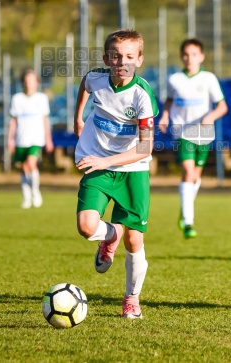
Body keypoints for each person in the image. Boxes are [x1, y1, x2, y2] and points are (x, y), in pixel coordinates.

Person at [73, 29, 158, 319]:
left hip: (132, 170)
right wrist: (78, 118)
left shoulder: (142, 95)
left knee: (135, 240)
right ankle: (110, 236)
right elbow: (85, 83)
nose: (123, 62)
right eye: (116, 56)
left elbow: (146, 148)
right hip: (98, 163)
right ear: (107, 58)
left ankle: (131, 299)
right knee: (86, 227)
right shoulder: (97, 77)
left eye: (130, 57)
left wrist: (105, 161)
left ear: (140, 59)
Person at [157, 38, 228, 239]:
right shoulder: (174, 80)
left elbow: (222, 106)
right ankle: (188, 222)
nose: (190, 58)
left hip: (204, 134)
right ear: (182, 57)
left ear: (202, 57)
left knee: (195, 176)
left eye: (194, 54)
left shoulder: (209, 79)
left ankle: (184, 207)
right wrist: (165, 115)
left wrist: (210, 116)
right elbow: (169, 101)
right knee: (188, 173)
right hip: (182, 133)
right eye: (186, 55)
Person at [7, 69, 54, 209]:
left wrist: (48, 138)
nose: (29, 84)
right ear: (23, 83)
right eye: (26, 81)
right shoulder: (17, 99)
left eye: (32, 81)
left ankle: (35, 192)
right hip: (21, 138)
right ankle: (26, 196)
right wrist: (10, 139)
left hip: (36, 138)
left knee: (31, 163)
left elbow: (45, 119)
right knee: (23, 167)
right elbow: (13, 121)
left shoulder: (41, 98)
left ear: (37, 83)